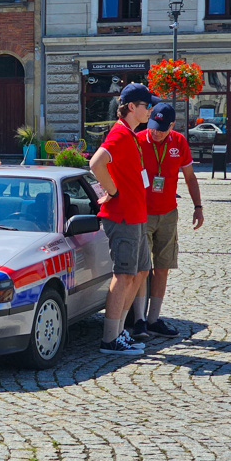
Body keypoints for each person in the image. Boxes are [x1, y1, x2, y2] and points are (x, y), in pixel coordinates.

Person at [88, 83, 158, 356]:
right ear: (132, 107)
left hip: (136, 215)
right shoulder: (119, 134)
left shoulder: (130, 134)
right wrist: (113, 191)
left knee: (139, 273)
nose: (150, 109)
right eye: (146, 105)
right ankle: (110, 339)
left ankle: (119, 333)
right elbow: (96, 163)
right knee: (124, 274)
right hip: (124, 216)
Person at [131, 103, 203, 340]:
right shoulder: (138, 140)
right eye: (153, 126)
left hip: (168, 213)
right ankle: (139, 320)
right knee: (142, 268)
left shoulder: (179, 142)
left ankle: (154, 319)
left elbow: (190, 178)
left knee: (162, 267)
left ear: (172, 125)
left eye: (162, 128)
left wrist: (198, 207)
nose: (156, 132)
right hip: (142, 213)